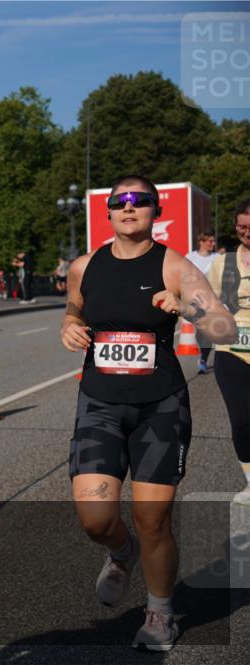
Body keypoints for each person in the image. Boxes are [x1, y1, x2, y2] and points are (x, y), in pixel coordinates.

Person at [60, 176, 236, 651]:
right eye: (120, 201)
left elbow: (224, 325)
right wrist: (70, 327)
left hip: (160, 406)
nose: (129, 207)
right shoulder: (85, 266)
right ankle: (121, 552)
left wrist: (186, 309)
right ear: (109, 212)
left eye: (140, 201)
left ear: (155, 211)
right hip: (99, 403)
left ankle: (160, 613)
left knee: (152, 517)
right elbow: (74, 311)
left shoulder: (173, 266)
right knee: (95, 518)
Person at [206, 198, 250, 505]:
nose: (246, 232)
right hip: (232, 349)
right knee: (243, 419)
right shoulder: (224, 262)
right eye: (241, 227)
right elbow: (206, 300)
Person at [185, 232, 217, 373]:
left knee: (207, 333)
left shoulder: (218, 258)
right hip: (194, 301)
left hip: (211, 300)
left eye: (213, 241)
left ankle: (203, 359)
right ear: (201, 242)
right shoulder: (190, 257)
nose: (213, 244)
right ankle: (203, 355)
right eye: (210, 241)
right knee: (201, 332)